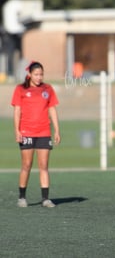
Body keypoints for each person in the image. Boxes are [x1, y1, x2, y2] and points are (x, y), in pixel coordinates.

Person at [11, 61, 61, 208]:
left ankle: (45, 199)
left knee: (44, 165)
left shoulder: (48, 89)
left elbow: (52, 110)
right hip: (26, 131)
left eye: (41, 74)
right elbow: (17, 111)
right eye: (36, 74)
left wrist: (57, 130)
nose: (39, 77)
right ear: (29, 75)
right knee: (26, 164)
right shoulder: (20, 89)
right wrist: (17, 130)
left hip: (44, 132)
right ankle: (22, 197)